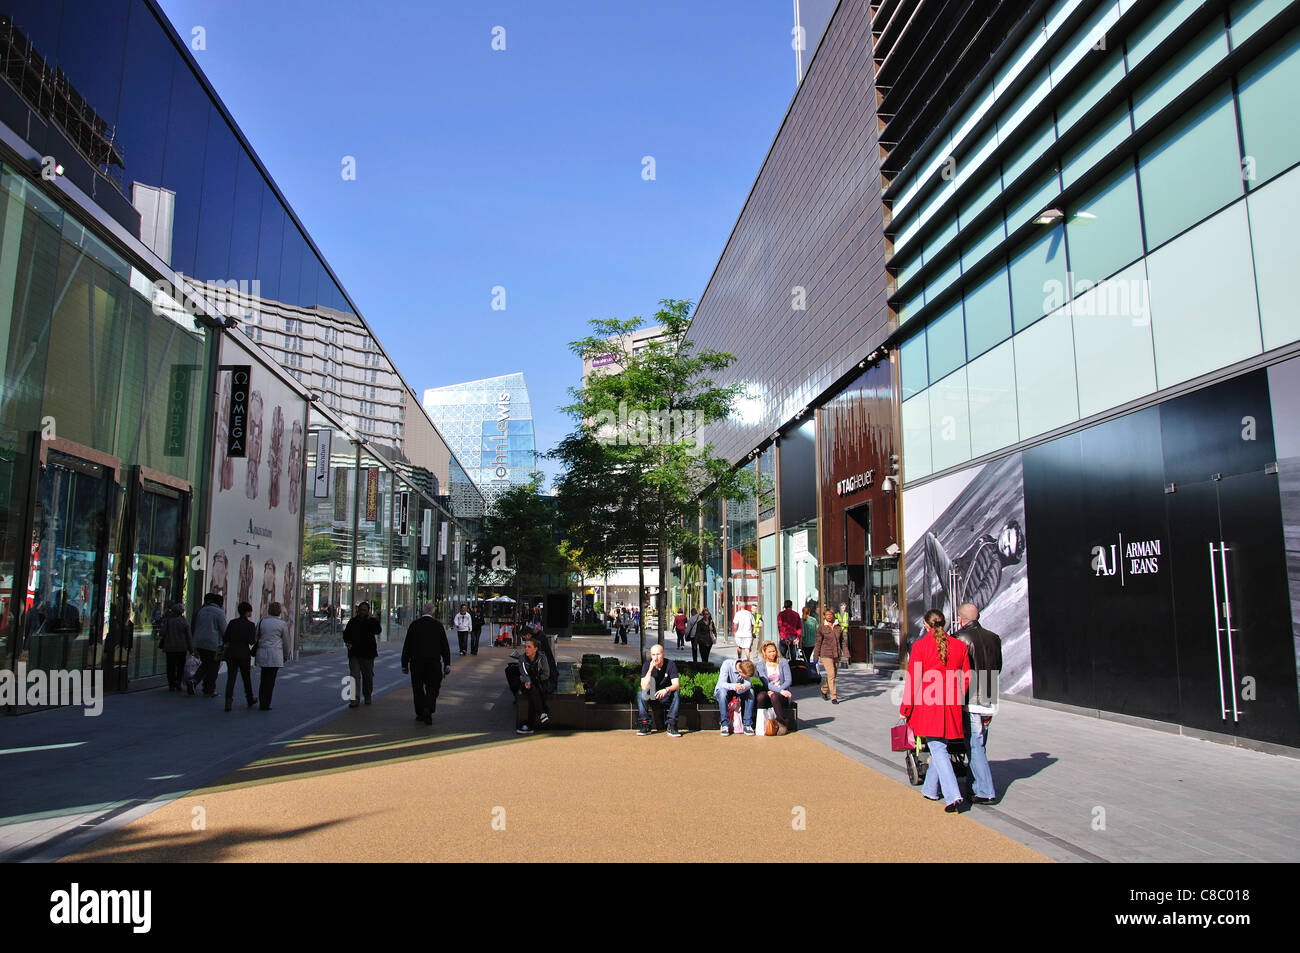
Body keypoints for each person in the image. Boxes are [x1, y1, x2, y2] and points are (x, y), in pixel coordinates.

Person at [899, 609, 971, 813]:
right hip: (951, 703)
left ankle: (952, 795)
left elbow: (913, 680)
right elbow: (967, 676)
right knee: (939, 746)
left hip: (928, 704)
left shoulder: (921, 646)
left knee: (938, 749)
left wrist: (905, 708)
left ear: (926, 625)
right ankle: (930, 790)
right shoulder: (959, 646)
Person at [956, 602, 1003, 805]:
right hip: (990, 694)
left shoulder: (960, 638)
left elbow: (958, 670)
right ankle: (973, 786)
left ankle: (985, 790)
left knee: (975, 745)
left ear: (961, 619)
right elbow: (998, 666)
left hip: (971, 697)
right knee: (979, 742)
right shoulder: (993, 638)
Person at [402, 602, 451, 725]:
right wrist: (447, 663)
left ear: (422, 611)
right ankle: (428, 708)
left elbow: (407, 645)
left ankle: (420, 712)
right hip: (433, 662)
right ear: (433, 612)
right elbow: (444, 646)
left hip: (416, 662)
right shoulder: (438, 626)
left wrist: (404, 663)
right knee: (433, 687)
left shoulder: (414, 625)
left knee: (417, 687)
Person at [636, 644, 681, 737]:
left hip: (666, 695)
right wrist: (650, 669)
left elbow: (676, 685)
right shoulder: (647, 665)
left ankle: (671, 724)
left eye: (658, 654)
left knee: (676, 693)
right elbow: (644, 686)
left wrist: (666, 690)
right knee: (640, 694)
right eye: (653, 655)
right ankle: (645, 724)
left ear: (663, 655)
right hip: (652, 695)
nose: (655, 658)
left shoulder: (670, 664)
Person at [343, 601, 381, 708]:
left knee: (367, 676)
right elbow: (346, 634)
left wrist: (371, 619)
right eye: (360, 610)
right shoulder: (353, 621)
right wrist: (348, 642)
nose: (362, 612)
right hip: (354, 653)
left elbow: (378, 630)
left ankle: (367, 695)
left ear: (368, 611)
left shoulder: (371, 621)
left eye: (364, 610)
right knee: (354, 676)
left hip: (368, 654)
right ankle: (354, 699)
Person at [222, 601, 258, 711]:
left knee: (231, 678)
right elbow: (251, 641)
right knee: (246, 677)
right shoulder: (250, 625)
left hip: (231, 653)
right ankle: (249, 698)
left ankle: (228, 701)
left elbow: (225, 638)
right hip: (244, 653)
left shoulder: (232, 623)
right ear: (248, 612)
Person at [190, 592, 227, 697]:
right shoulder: (219, 612)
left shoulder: (202, 610)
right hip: (214, 643)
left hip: (200, 642)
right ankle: (209, 688)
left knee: (205, 663)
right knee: (214, 666)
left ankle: (194, 680)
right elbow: (224, 629)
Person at [254, 602, 289, 711]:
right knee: (271, 680)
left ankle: (261, 700)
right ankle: (266, 702)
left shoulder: (261, 622)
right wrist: (286, 655)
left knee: (263, 678)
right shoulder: (282, 624)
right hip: (275, 654)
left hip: (262, 652)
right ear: (279, 611)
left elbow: (256, 637)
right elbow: (286, 641)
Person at [754, 640, 794, 735]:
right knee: (761, 697)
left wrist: (780, 691)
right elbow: (766, 683)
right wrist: (773, 690)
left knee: (774, 696)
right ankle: (762, 723)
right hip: (769, 691)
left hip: (781, 692)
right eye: (770, 652)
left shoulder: (783, 662)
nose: (773, 654)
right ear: (765, 653)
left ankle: (782, 722)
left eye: (774, 651)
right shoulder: (760, 665)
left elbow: (788, 680)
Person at [515, 635, 552, 735]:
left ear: (536, 649)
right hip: (527, 684)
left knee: (533, 694)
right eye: (525, 647)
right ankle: (542, 713)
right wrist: (528, 681)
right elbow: (524, 674)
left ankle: (530, 726)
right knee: (531, 688)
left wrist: (535, 680)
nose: (526, 649)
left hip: (540, 683)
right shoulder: (522, 659)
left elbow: (546, 674)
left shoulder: (542, 657)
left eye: (529, 647)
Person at [715, 658, 756, 736]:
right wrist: (735, 686)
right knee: (722, 692)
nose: (745, 678)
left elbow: (748, 684)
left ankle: (747, 724)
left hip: (739, 691)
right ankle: (724, 724)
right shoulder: (727, 664)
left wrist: (744, 686)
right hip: (725, 690)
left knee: (751, 692)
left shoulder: (746, 666)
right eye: (745, 676)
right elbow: (721, 683)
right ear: (740, 671)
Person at [157, 603, 192, 692]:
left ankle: (171, 684)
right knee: (180, 666)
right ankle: (178, 681)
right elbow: (188, 636)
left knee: (170, 666)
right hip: (181, 647)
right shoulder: (184, 622)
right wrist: (191, 648)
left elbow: (162, 632)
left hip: (170, 647)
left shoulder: (168, 621)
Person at [814, 607, 845, 704]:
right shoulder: (822, 628)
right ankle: (833, 697)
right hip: (826, 654)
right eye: (827, 615)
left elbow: (842, 642)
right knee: (831, 674)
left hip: (836, 654)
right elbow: (818, 643)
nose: (829, 616)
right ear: (824, 616)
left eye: (831, 615)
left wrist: (847, 654)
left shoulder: (838, 627)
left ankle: (824, 689)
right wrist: (816, 656)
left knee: (833, 675)